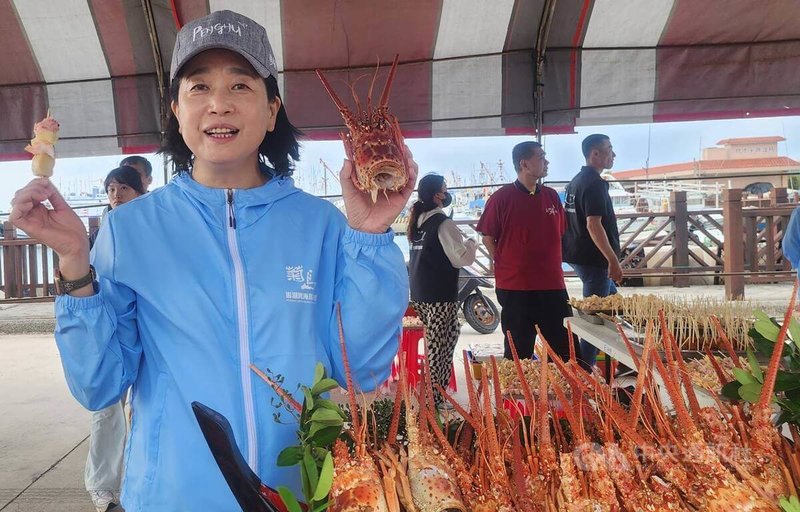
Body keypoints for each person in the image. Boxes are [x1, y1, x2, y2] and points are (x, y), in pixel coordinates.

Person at [10, 10, 416, 511]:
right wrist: (75, 261)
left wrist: (372, 237)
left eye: (241, 86)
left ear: (271, 111)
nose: (219, 104)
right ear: (177, 112)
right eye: (198, 87)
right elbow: (100, 385)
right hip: (172, 494)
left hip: (301, 491)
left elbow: (361, 371)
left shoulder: (325, 226)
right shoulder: (129, 228)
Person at [476, 141, 577, 361]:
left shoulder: (551, 196)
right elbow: (487, 237)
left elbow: (559, 233)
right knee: (518, 351)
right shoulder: (501, 198)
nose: (546, 161)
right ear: (524, 164)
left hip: (552, 284)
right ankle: (516, 395)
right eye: (541, 157)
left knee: (565, 349)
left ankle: (563, 393)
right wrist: (503, 262)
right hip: (515, 285)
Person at [85, 165, 145, 511]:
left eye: (123, 188)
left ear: (141, 190)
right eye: (110, 189)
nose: (116, 195)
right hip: (110, 333)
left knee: (145, 408)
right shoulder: (104, 230)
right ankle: (102, 487)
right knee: (106, 408)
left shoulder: (155, 227)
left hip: (146, 332)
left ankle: (139, 480)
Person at [408, 174, 477, 408]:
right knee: (439, 346)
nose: (447, 193)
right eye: (445, 189)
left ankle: (435, 393)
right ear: (438, 195)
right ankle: (434, 399)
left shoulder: (419, 222)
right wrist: (471, 244)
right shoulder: (443, 223)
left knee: (446, 336)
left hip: (420, 292)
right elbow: (460, 259)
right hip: (439, 293)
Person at [562, 134, 622, 370]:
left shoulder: (576, 181)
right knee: (595, 319)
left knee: (615, 305)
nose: (613, 155)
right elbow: (593, 224)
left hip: (578, 254)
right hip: (594, 259)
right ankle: (582, 369)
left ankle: (619, 360)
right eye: (609, 149)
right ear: (594, 154)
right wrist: (612, 260)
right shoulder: (594, 183)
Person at [89, 166, 146, 249]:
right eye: (112, 189)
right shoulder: (102, 232)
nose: (116, 195)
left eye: (123, 188)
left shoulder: (148, 225)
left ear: (138, 193)